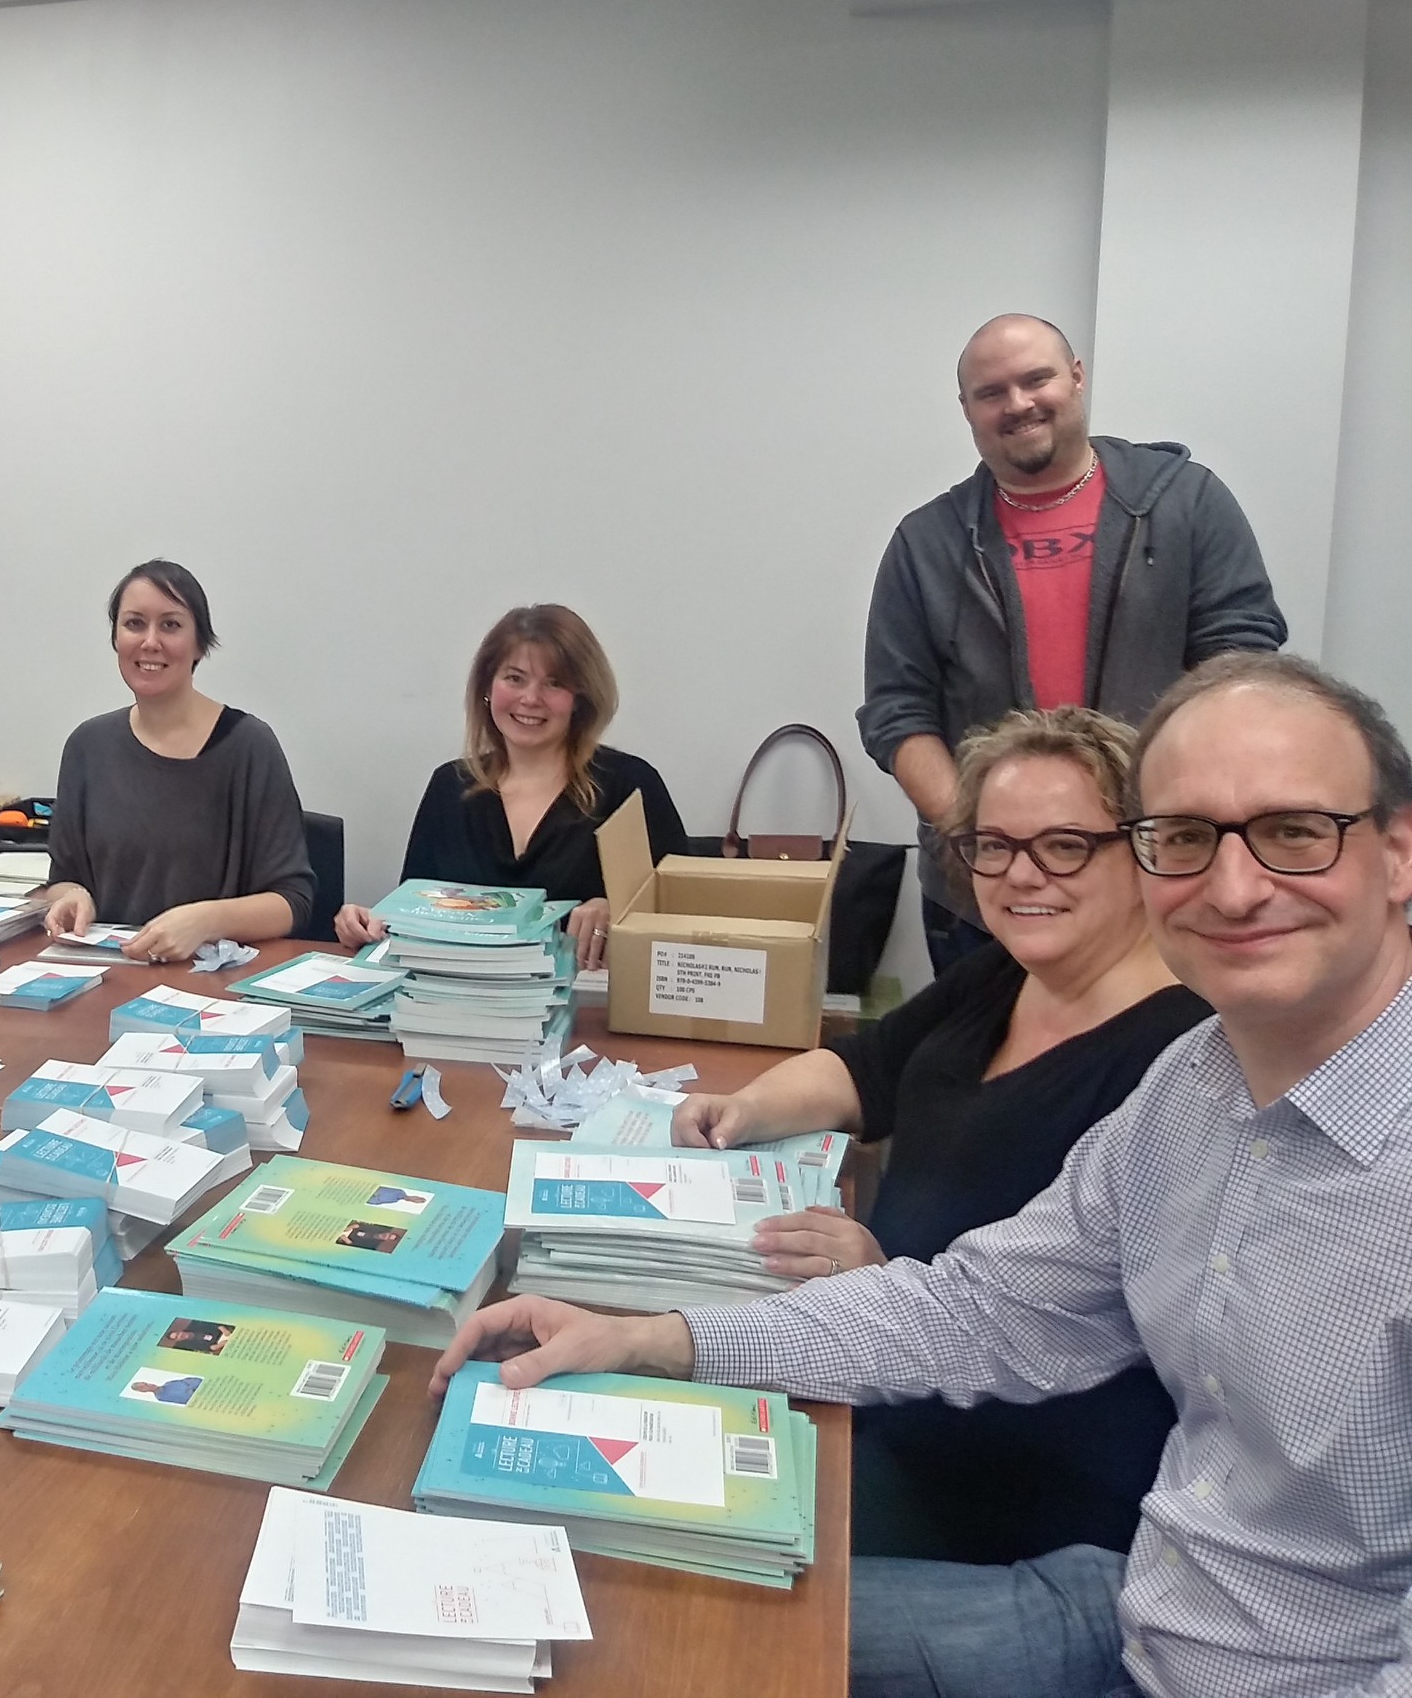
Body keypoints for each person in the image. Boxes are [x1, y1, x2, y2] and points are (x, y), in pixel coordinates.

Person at [435, 650, 1412, 1698]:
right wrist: (647, 1338)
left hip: (1225, 1635)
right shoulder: (1196, 1082)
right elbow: (976, 1308)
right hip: (1138, 1607)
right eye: (1184, 838)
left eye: (1294, 832)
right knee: (627, 1630)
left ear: (1399, 853)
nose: (1233, 885)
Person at [670, 706, 1199, 1565]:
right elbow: (869, 1066)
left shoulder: (1180, 1057)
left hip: (996, 1474)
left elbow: (1087, 1324)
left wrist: (884, 1275)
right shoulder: (1009, 970)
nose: (1021, 874)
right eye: (994, 844)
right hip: (872, 1362)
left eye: (1064, 845)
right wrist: (745, 1108)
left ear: (1142, 847)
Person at [858, 314, 1285, 973]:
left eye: (1036, 379)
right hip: (986, 904)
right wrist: (987, 843)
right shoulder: (925, 544)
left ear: (1077, 377)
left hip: (1158, 878)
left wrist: (1167, 825)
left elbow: (1240, 667)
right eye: (991, 392)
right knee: (991, 1044)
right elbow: (897, 712)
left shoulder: (1187, 502)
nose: (1018, 403)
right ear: (967, 408)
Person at [330, 604, 688, 969]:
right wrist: (368, 924)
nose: (530, 698)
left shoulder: (630, 787)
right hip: (460, 993)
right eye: (515, 678)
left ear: (580, 697)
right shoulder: (449, 787)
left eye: (554, 683)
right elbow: (417, 913)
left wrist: (620, 912)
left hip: (589, 997)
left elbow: (684, 915)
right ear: (487, 687)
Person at [42, 559, 313, 962]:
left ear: (200, 643)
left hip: (214, 982)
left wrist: (206, 920)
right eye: (134, 624)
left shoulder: (249, 745)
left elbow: (293, 902)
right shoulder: (87, 746)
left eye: (170, 625)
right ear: (116, 638)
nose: (150, 642)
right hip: (112, 973)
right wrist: (71, 896)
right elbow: (64, 879)